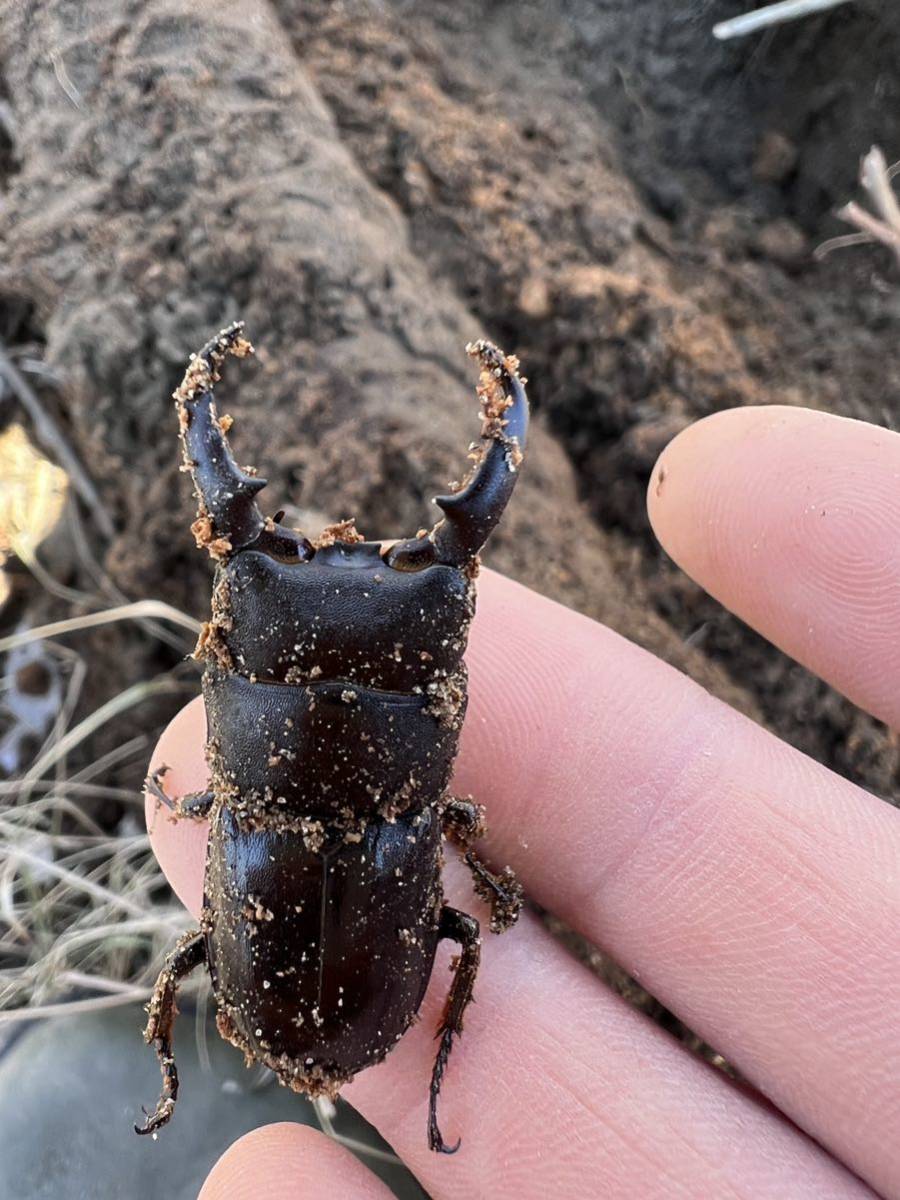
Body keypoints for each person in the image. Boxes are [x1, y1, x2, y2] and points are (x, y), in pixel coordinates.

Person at [146, 405, 900, 1200]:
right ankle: (363, 1065)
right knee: (466, 930)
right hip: (353, 998)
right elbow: (457, 901)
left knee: (184, 963)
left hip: (300, 984)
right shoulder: (409, 812)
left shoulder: (243, 808)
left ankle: (172, 1080)